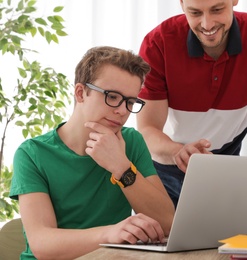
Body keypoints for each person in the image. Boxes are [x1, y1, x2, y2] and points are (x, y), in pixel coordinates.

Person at [9, 46, 175, 259]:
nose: (123, 111)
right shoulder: (32, 154)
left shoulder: (131, 142)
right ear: (80, 93)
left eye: (130, 102)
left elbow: (167, 223)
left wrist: (121, 167)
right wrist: (110, 233)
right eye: (112, 97)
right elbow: (42, 244)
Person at [136, 0, 247, 212]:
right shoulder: (157, 44)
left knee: (227, 240)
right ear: (182, 4)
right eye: (195, 12)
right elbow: (148, 130)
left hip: (224, 161)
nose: (207, 24)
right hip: (165, 163)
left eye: (217, 9)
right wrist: (180, 152)